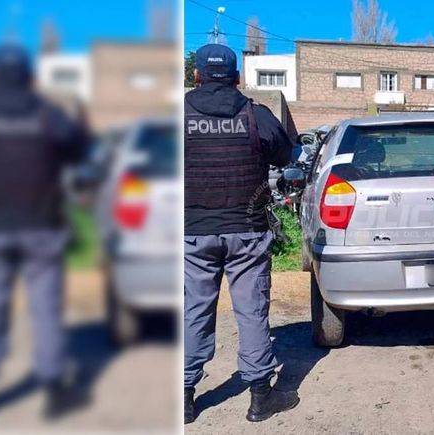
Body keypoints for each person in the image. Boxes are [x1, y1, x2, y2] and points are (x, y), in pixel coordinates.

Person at [183, 43, 297, 424]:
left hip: (193, 232)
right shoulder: (256, 115)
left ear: (196, 75)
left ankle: (184, 396)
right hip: (247, 230)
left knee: (194, 309)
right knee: (251, 311)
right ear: (237, 77)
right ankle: (260, 398)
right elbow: (286, 157)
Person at [0, 43, 89, 419]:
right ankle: (55, 388)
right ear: (28, 76)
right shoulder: (48, 115)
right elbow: (79, 153)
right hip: (42, 225)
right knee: (45, 307)